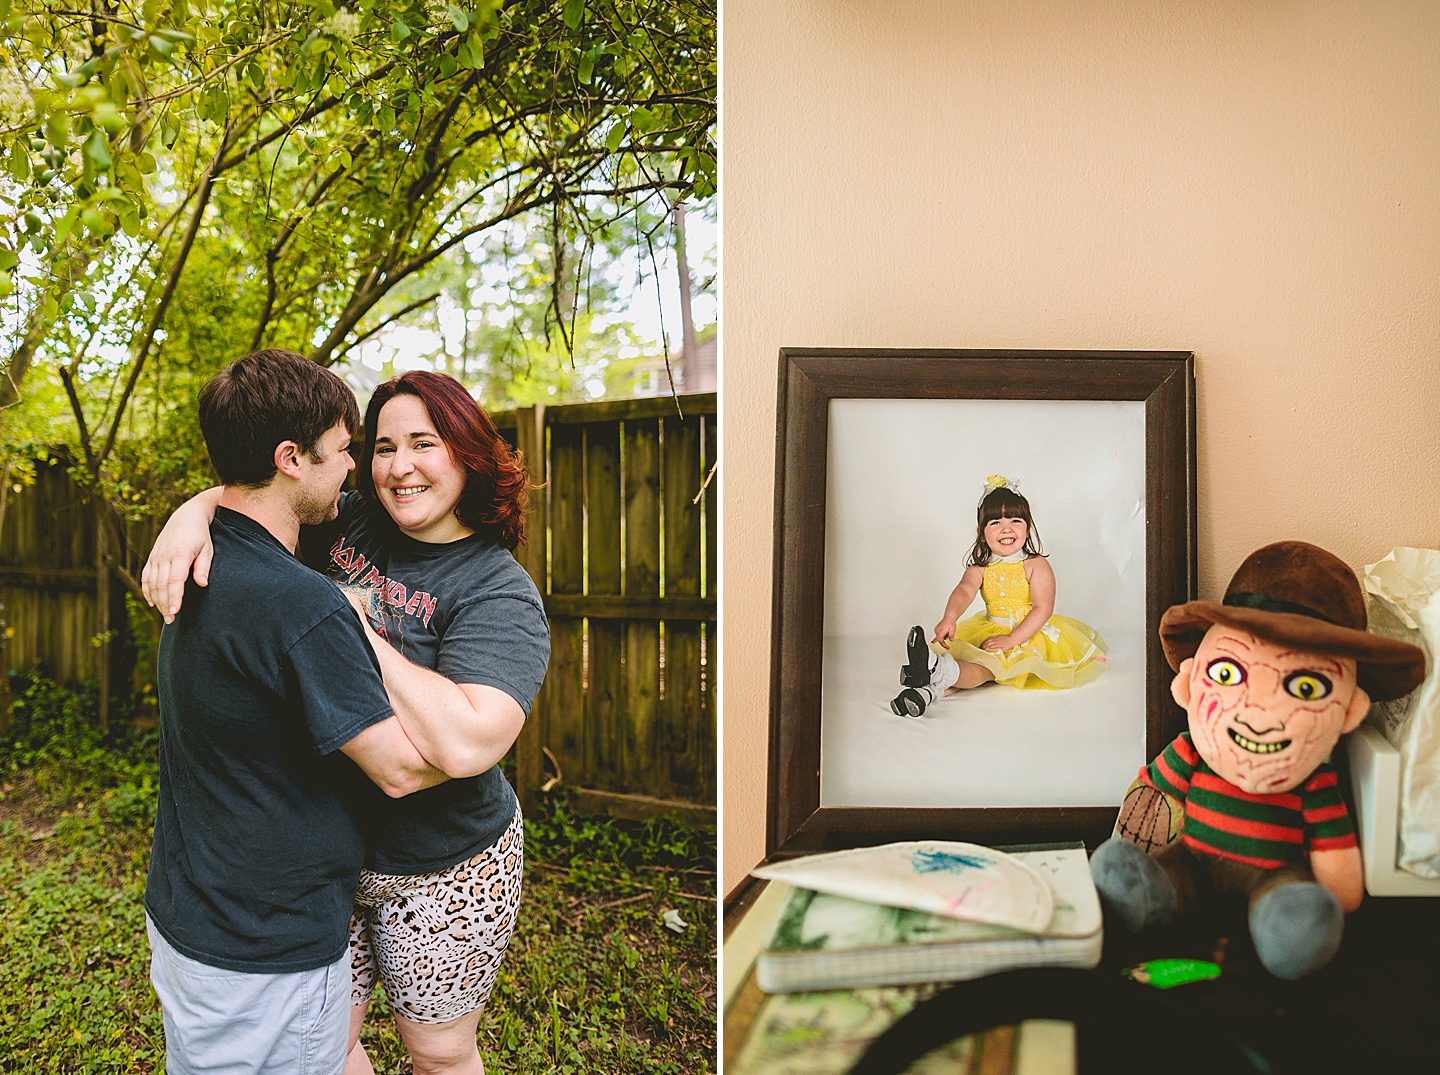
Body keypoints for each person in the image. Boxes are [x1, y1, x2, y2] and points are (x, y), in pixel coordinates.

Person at [143, 369, 550, 1075]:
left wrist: (359, 629)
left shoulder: (495, 589)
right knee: (327, 1042)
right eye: (381, 446)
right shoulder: (351, 517)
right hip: (333, 860)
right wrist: (193, 512)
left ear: (467, 452)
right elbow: (266, 487)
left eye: (424, 443)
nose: (397, 467)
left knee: (438, 1050)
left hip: (443, 863)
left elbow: (470, 742)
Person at [1089, 540, 1427, 978]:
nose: (1259, 715)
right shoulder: (1190, 751)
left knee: (1298, 920)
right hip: (1189, 859)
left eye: (1305, 687)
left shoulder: (1316, 783)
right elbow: (1152, 797)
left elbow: (1340, 882)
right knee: (1129, 873)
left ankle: (1287, 929)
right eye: (1227, 674)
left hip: (1275, 875)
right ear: (1189, 683)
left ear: (1349, 711)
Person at [890, 476, 1107, 717]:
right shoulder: (979, 568)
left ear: (1028, 526)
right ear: (981, 533)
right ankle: (923, 692)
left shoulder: (1035, 565)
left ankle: (935, 671)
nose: (1006, 529)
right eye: (995, 522)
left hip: (1027, 634)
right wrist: (949, 617)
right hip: (992, 630)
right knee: (973, 660)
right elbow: (964, 591)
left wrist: (1012, 640)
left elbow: (1042, 609)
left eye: (1015, 520)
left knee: (986, 668)